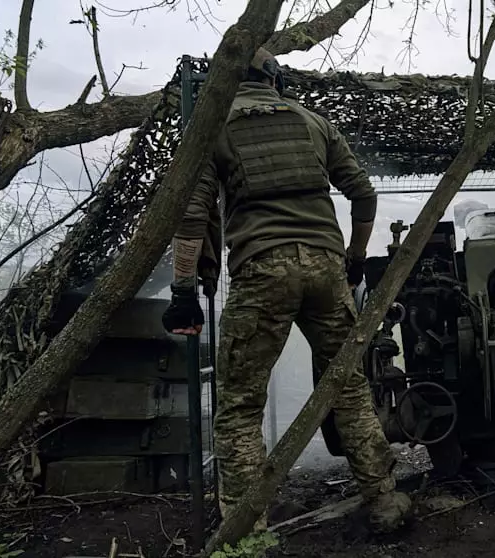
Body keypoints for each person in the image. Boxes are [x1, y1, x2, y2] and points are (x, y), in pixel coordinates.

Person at [160, 47, 411, 532]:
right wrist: (354, 260)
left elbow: (191, 217)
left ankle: (246, 530)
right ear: (275, 81)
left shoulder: (211, 129)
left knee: (238, 406)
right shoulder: (312, 122)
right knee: (350, 389)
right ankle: (383, 501)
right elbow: (363, 193)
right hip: (325, 267)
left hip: (261, 270)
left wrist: (183, 292)